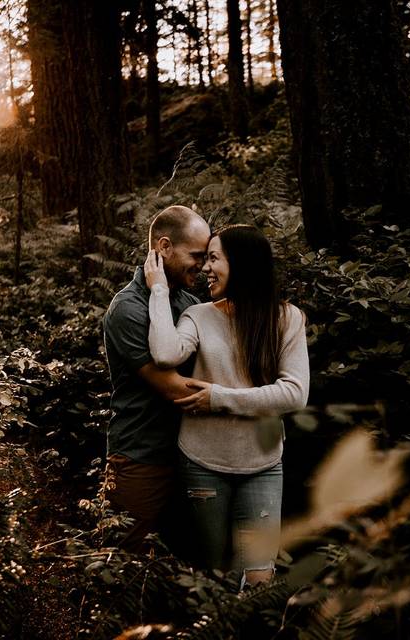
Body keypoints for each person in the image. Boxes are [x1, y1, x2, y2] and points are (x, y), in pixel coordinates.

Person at [143, 224, 309, 588]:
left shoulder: (286, 319)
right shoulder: (199, 316)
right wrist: (157, 289)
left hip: (263, 465)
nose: (206, 268)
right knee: (215, 573)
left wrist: (218, 398)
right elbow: (165, 352)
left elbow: (295, 393)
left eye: (214, 258)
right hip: (202, 462)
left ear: (242, 264)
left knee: (259, 577)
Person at [101, 205, 211, 550]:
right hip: (141, 459)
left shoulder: (190, 303)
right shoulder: (128, 309)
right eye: (196, 255)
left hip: (190, 459)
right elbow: (174, 389)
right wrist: (253, 398)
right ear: (164, 248)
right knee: (125, 568)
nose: (204, 266)